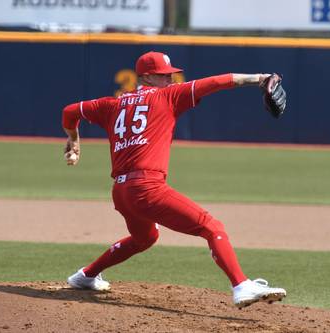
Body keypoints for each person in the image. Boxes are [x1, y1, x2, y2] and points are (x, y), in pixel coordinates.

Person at [61, 51, 286, 308]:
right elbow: (217, 82)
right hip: (147, 187)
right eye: (163, 75)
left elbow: (70, 111)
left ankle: (86, 276)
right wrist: (259, 78)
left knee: (144, 238)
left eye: (170, 75)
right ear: (146, 76)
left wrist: (73, 140)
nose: (169, 79)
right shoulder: (168, 96)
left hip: (122, 191)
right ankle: (241, 285)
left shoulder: (111, 105)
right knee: (211, 227)